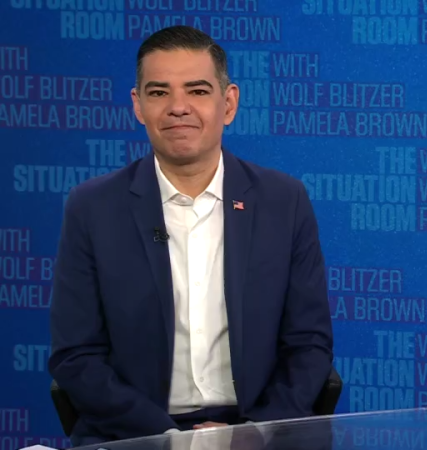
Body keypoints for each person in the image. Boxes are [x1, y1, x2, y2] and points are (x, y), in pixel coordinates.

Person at [48, 25, 334, 446]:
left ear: (228, 103)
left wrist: (251, 433)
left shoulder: (283, 201)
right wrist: (165, 437)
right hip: (136, 433)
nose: (178, 107)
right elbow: (76, 356)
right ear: (138, 105)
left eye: (197, 91)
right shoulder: (92, 207)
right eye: (159, 92)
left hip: (255, 432)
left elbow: (308, 345)